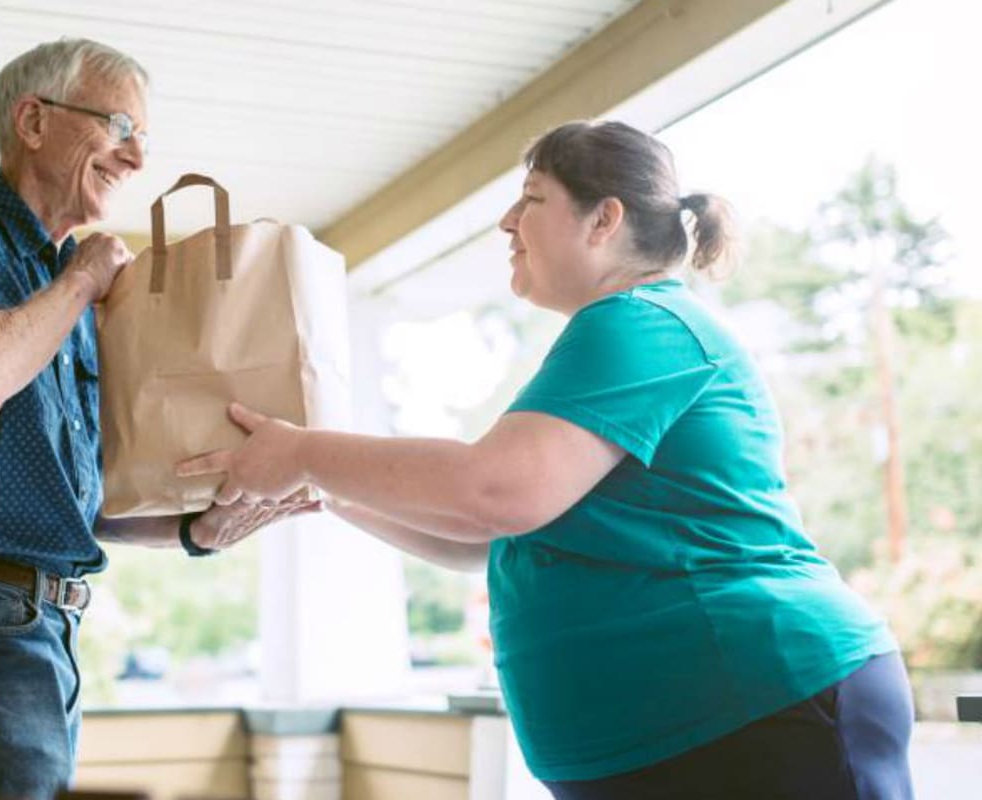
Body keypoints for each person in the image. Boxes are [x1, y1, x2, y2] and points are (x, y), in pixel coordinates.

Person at [177, 120, 915, 799]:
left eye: (530, 199)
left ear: (605, 219)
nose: (505, 222)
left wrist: (305, 452)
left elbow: (494, 492)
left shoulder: (643, 322)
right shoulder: (612, 339)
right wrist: (325, 491)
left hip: (760, 707)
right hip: (688, 735)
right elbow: (485, 536)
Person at [0, 38, 280, 799]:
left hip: (39, 625)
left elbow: (78, 504)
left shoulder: (65, 295)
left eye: (143, 138)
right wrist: (84, 278)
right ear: (32, 119)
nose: (137, 157)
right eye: (121, 127)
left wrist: (194, 531)